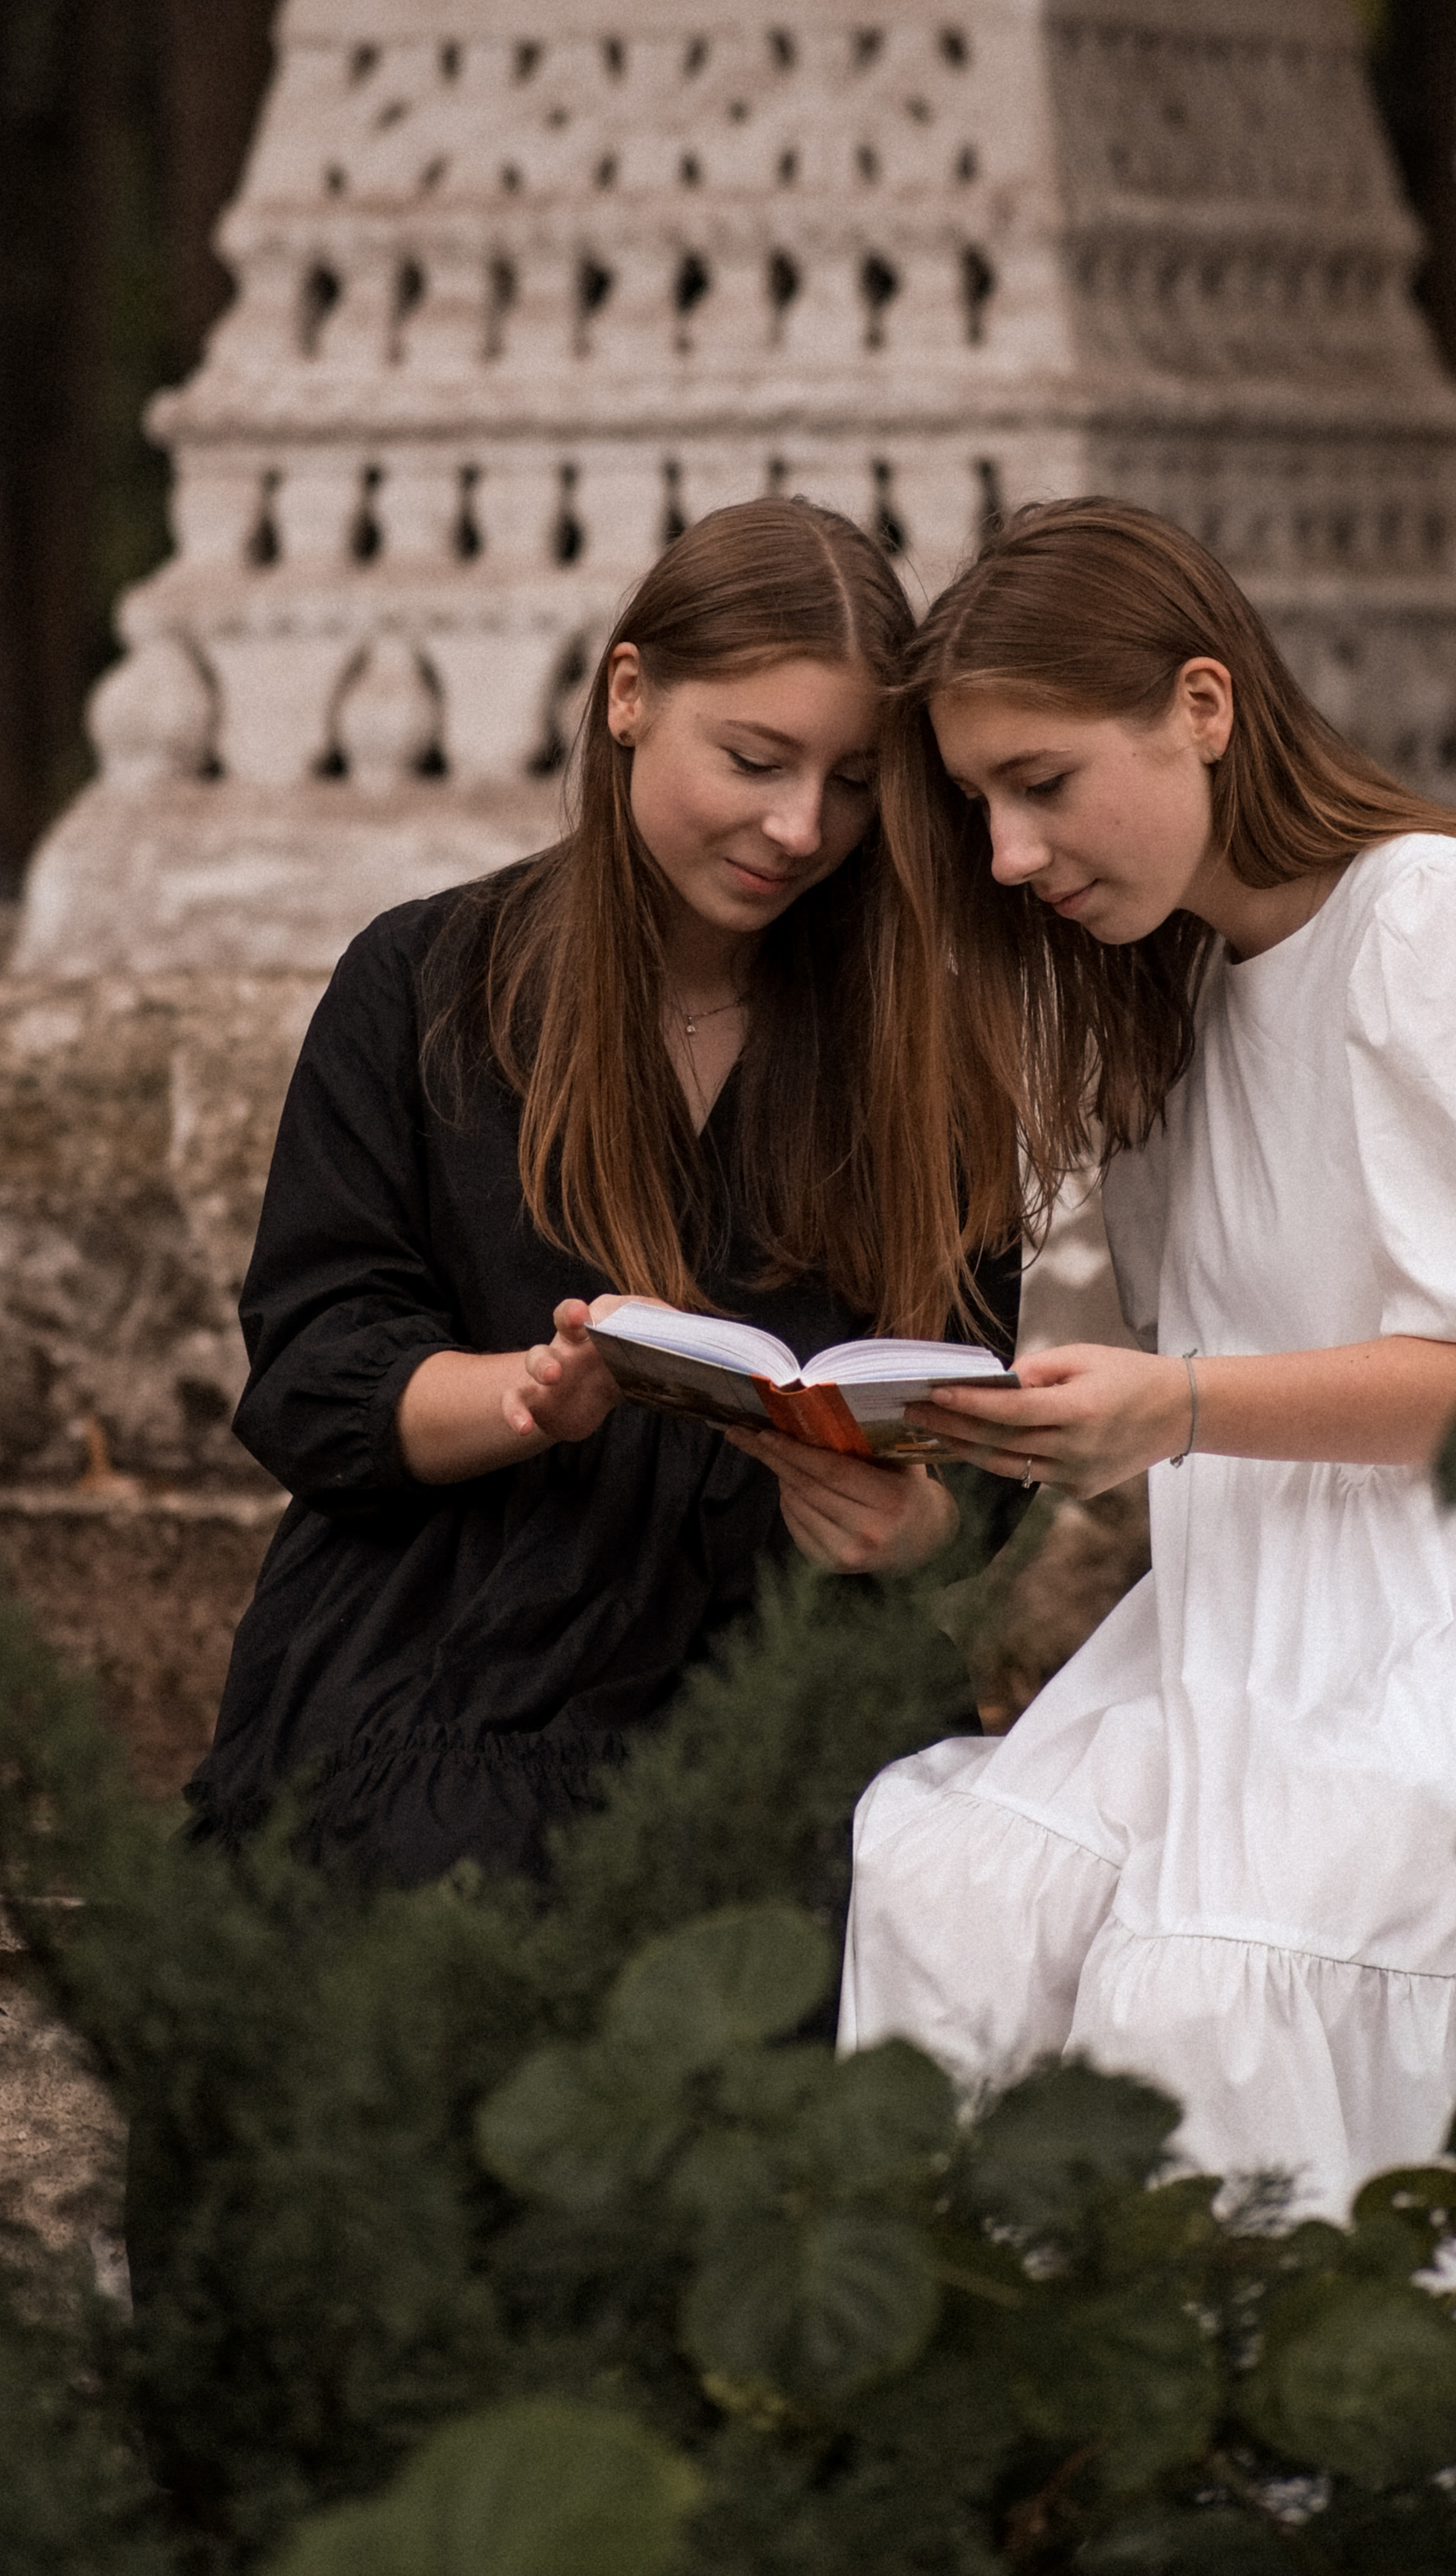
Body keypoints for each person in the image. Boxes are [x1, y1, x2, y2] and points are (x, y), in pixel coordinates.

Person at [840, 500, 1456, 2209]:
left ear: (1201, 704)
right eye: (979, 806)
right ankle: (991, 2440)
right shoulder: (1172, 997)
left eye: (1038, 783)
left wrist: (1177, 1412)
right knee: (950, 1888)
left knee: (1199, 1981)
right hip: (1274, 1589)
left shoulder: (1436, 922)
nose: (1008, 855)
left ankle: (1304, 2460)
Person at [187, 497, 1020, 1888]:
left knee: (901, 1890)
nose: (800, 826)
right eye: (754, 759)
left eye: (856, 781)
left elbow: (975, 1423)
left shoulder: (918, 1049)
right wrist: (524, 1396)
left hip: (784, 1662)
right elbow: (318, 1370)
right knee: (465, 1873)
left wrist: (919, 1522)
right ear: (629, 694)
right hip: (459, 1640)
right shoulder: (428, 984)